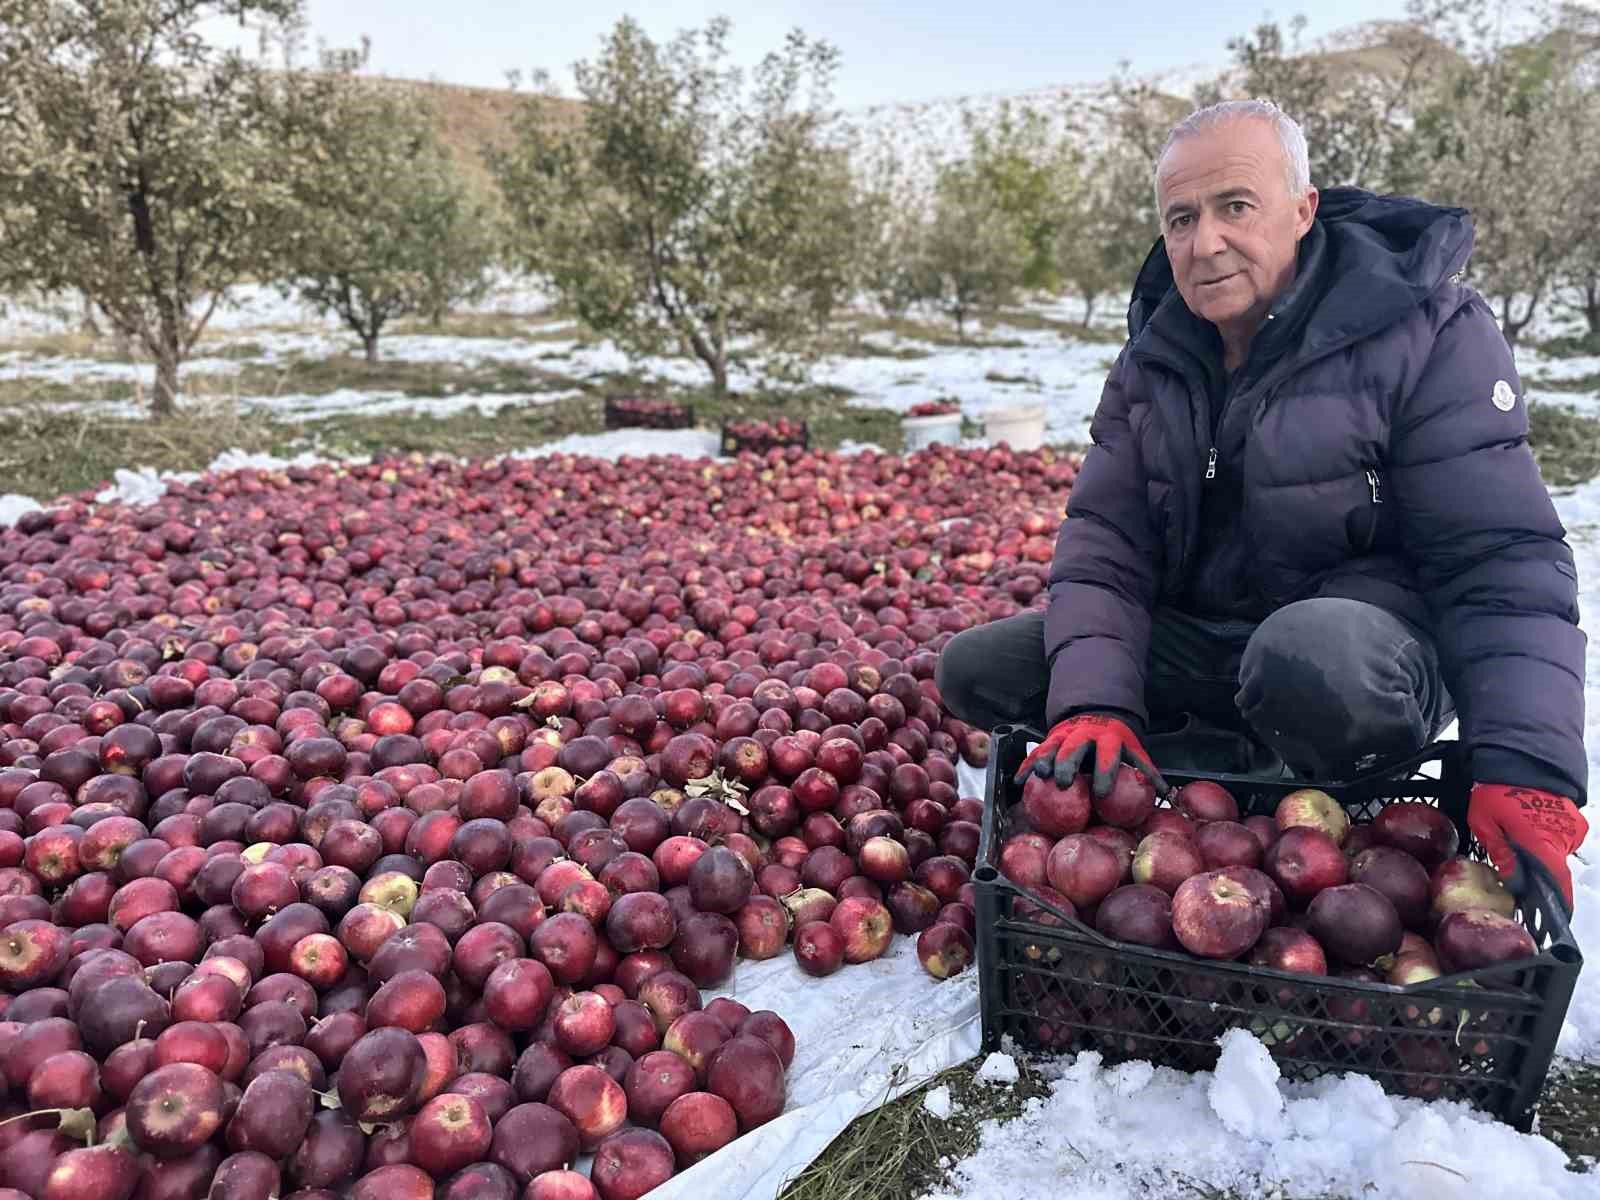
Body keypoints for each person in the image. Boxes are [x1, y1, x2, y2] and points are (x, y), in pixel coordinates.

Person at [936, 99, 1589, 909]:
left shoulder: (1427, 331)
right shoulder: (1157, 357)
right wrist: (1095, 703)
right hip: (1215, 642)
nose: (1204, 243)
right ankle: (1219, 774)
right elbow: (1106, 543)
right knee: (980, 668)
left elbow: (1499, 557)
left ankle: (1318, 777)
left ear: (1303, 208)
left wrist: (1525, 764)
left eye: (1234, 206)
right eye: (1180, 219)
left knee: (1304, 656)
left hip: (1361, 651)